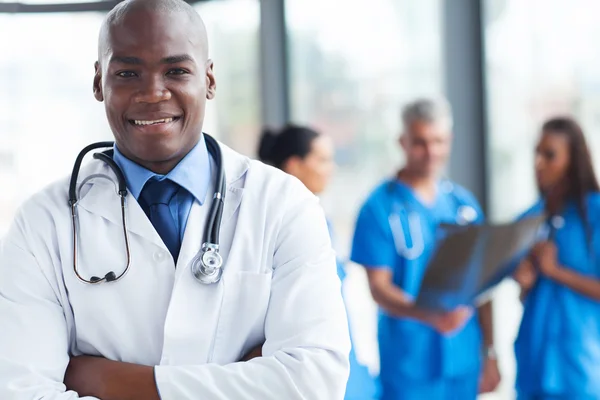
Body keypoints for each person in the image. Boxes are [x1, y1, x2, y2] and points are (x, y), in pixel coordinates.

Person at [0, 1, 351, 399]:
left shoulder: (285, 205)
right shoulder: (43, 224)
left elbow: (313, 383)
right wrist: (244, 378)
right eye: (127, 72)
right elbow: (22, 391)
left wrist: (109, 381)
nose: (152, 93)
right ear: (99, 82)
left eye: (176, 71)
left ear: (210, 79)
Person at [350, 97, 501, 399]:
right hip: (409, 363)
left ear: (450, 140)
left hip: (463, 358)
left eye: (439, 141)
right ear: (402, 142)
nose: (431, 152)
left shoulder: (463, 205)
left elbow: (481, 286)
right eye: (420, 142)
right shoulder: (379, 207)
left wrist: (490, 351)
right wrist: (429, 316)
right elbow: (378, 287)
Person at [257, 124, 380, 400]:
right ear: (295, 165)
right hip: (307, 368)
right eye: (323, 160)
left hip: (344, 363)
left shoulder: (319, 220)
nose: (331, 168)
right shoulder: (272, 227)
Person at [512, 117, 600, 399]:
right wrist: (524, 281)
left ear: (573, 160)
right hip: (533, 364)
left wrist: (555, 270)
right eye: (537, 153)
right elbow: (525, 297)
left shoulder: (595, 215)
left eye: (549, 155)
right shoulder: (529, 219)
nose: (539, 163)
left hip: (579, 368)